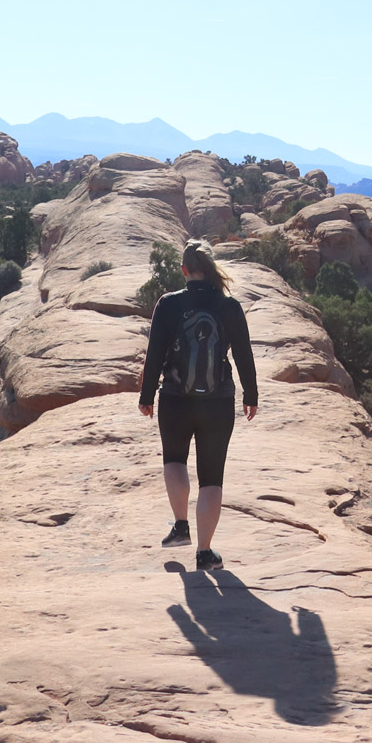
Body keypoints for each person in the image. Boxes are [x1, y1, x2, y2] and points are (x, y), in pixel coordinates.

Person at [139, 239, 259, 570]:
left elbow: (155, 355)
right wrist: (251, 395)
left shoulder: (168, 304)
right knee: (211, 478)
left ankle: (180, 527)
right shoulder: (230, 306)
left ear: (184, 271)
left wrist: (146, 395)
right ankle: (205, 553)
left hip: (175, 398)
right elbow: (244, 354)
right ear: (210, 270)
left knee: (174, 461)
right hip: (218, 403)